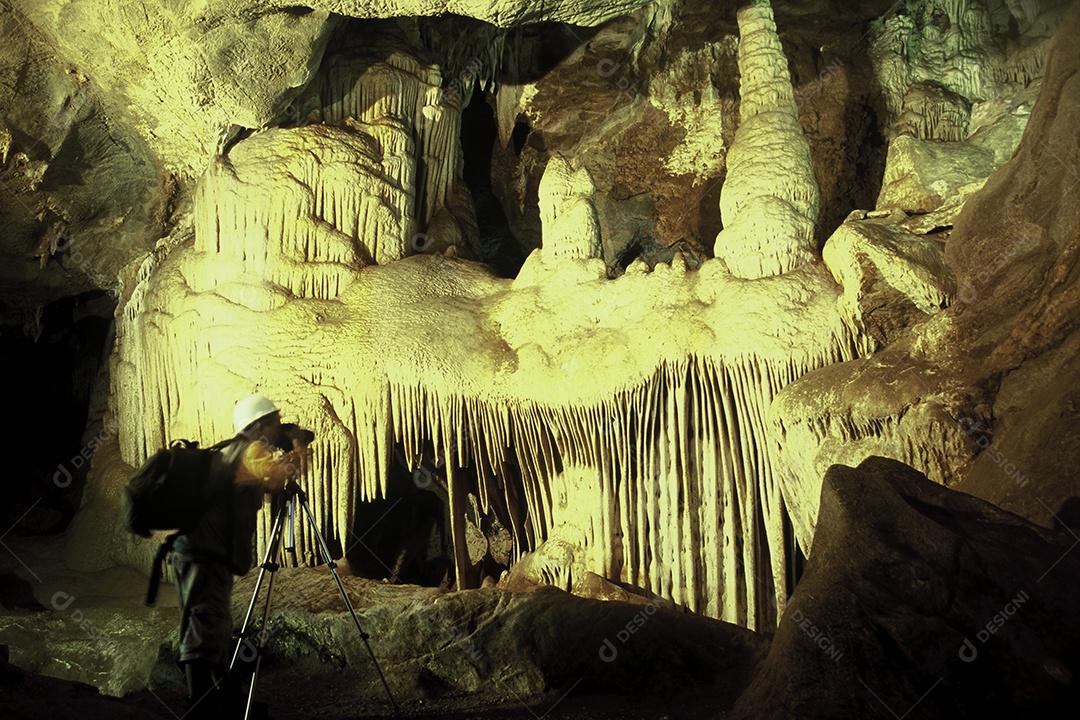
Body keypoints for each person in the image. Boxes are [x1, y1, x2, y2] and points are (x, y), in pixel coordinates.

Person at [170, 393, 311, 718]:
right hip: (199, 555)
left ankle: (229, 699)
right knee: (203, 626)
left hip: (204, 554)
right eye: (275, 421)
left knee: (216, 625)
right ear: (258, 425)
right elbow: (280, 476)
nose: (279, 427)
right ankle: (199, 706)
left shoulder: (231, 451)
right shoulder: (250, 451)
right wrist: (297, 451)